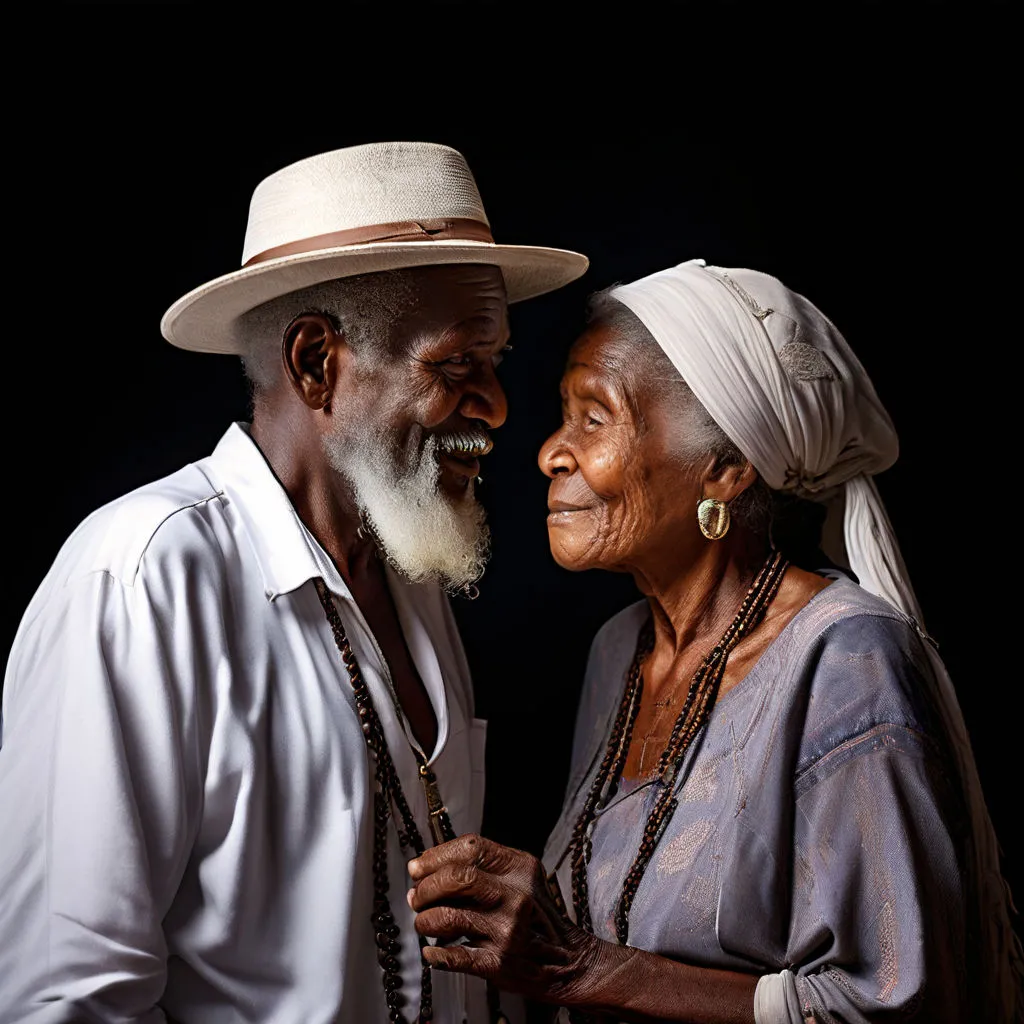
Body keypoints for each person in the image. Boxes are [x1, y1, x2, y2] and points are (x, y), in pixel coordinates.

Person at [0, 142, 587, 1024]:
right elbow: (71, 998)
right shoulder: (144, 577)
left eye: (497, 362)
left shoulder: (409, 566)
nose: (499, 407)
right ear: (316, 362)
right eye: (456, 365)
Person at [405, 259, 1024, 1022]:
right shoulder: (619, 652)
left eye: (593, 419)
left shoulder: (846, 662)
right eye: (563, 418)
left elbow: (899, 1007)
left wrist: (578, 968)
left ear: (725, 469)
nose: (551, 453)